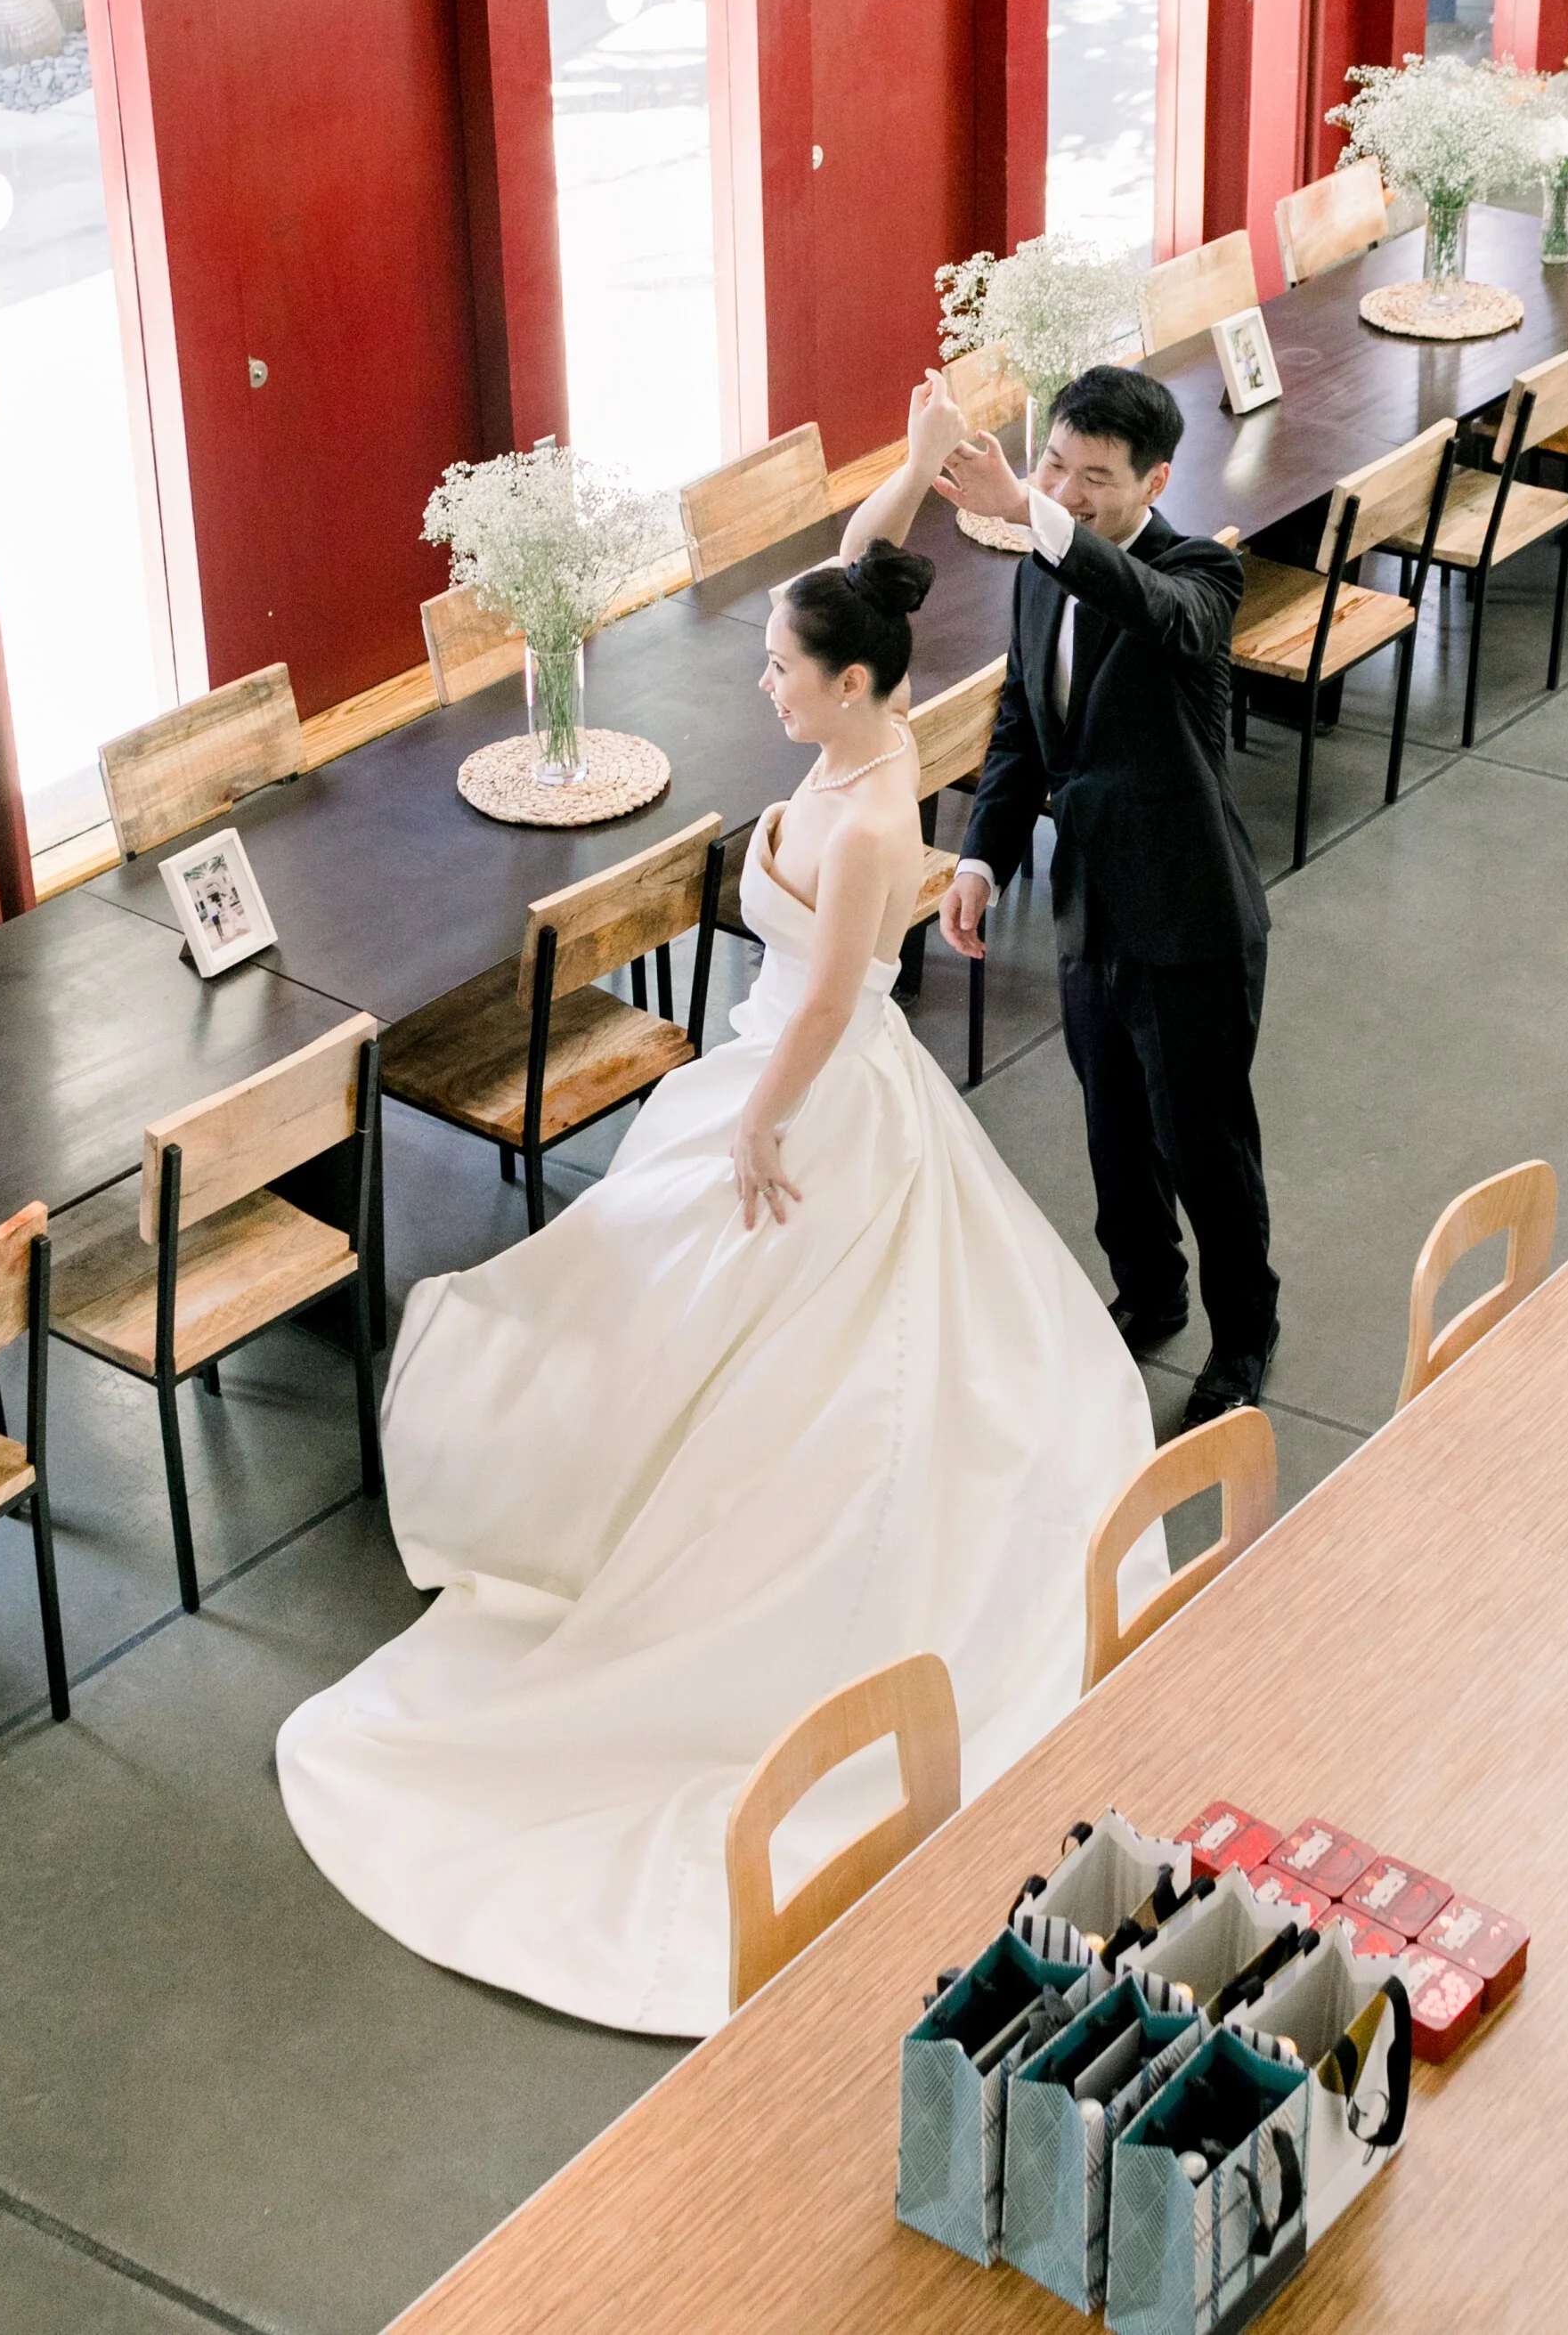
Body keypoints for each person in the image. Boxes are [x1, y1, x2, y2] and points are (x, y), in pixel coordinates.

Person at [276, 531, 1157, 2039]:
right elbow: (866, 559)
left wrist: (756, 1120)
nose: (767, 687)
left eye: (784, 673)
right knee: (656, 1306)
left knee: (808, 1364)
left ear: (859, 686)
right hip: (773, 1071)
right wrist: (923, 437)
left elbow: (825, 1002)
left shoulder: (875, 823)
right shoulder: (855, 731)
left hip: (812, 1098)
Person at [931, 364, 1280, 1428]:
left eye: (1094, 477)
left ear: (1157, 478)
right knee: (1113, 1132)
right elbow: (1022, 730)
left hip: (1188, 916)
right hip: (1092, 904)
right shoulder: (1039, 572)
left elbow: (1144, 603)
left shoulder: (1199, 578)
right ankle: (1148, 1294)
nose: (1068, 491)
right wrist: (982, 858)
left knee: (1202, 1143)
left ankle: (1245, 1332)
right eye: (1053, 466)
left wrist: (1032, 516)